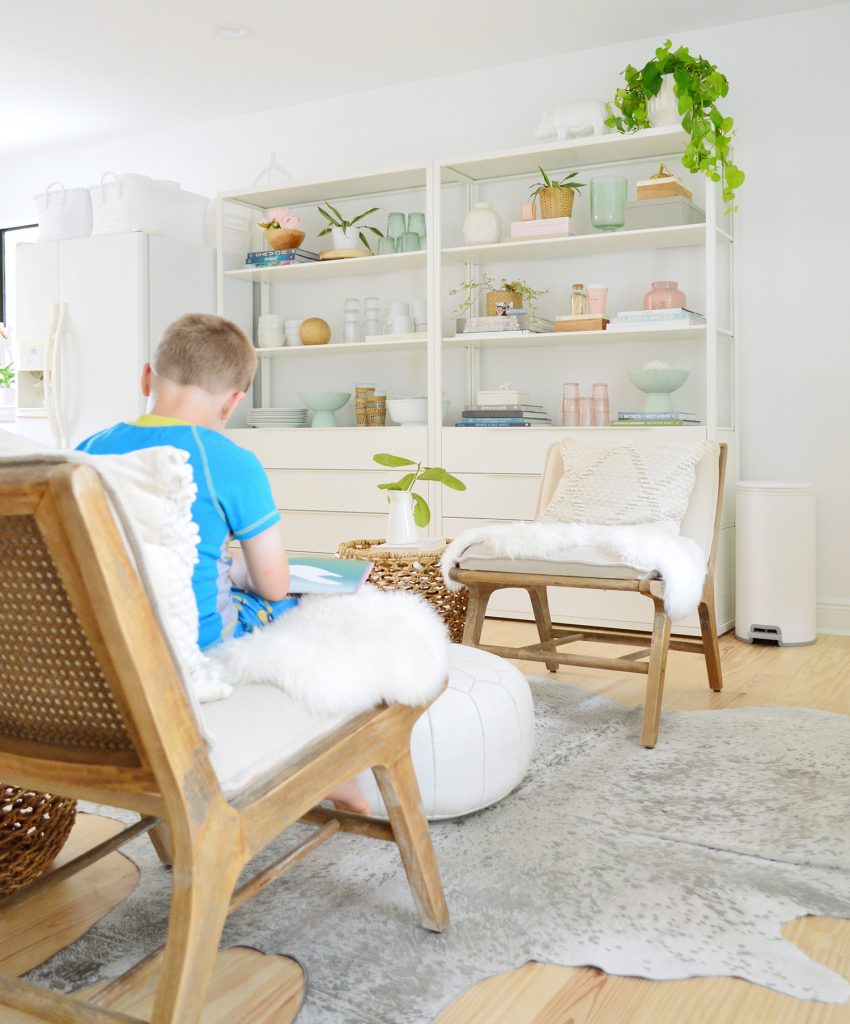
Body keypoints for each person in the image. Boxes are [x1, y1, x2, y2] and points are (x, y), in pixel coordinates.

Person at [77, 312, 369, 814]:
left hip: (105, 637)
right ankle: (324, 759)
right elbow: (274, 586)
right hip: (197, 645)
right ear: (234, 402)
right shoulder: (230, 461)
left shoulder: (88, 451)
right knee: (326, 608)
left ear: (146, 376)